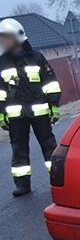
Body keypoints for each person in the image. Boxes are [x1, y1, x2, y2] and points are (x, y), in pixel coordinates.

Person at [0, 18, 61, 197]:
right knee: (19, 149)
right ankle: (22, 185)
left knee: (49, 145)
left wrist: (54, 106)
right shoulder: (2, 62)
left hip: (40, 112)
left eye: (7, 37)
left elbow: (51, 83)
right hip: (16, 116)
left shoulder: (37, 58)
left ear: (18, 36)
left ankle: (57, 178)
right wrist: (1, 114)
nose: (5, 41)